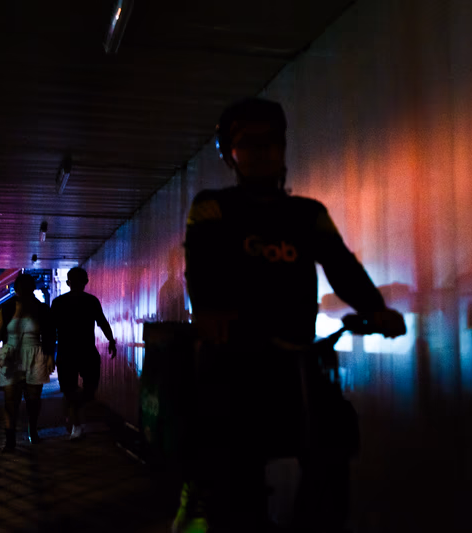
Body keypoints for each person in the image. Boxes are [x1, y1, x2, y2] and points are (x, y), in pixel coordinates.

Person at [176, 97, 406, 533]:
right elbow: (200, 268)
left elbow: (341, 266)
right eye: (248, 143)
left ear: (282, 148)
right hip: (235, 356)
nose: (262, 152)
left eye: (271, 142)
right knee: (230, 465)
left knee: (332, 443)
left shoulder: (308, 214)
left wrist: (375, 309)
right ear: (230, 154)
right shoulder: (212, 208)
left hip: (297, 356)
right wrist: (207, 312)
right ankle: (203, 498)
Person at [0, 273, 55, 451]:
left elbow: (49, 335)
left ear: (32, 289)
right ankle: (10, 438)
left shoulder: (41, 309)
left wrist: (49, 357)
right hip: (11, 355)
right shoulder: (6, 308)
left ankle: (32, 429)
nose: (23, 291)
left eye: (27, 288)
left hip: (34, 355)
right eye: (21, 288)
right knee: (10, 400)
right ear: (16, 289)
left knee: (33, 399)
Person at [51, 267, 117, 440]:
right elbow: (102, 322)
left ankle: (74, 418)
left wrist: (49, 355)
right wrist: (111, 340)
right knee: (89, 390)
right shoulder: (91, 301)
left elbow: (51, 330)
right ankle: (75, 422)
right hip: (87, 352)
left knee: (69, 389)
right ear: (86, 282)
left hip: (66, 353)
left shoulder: (58, 303)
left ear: (67, 283)